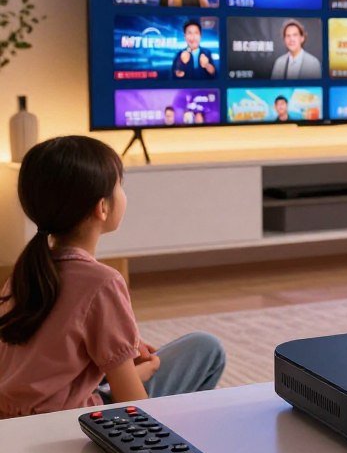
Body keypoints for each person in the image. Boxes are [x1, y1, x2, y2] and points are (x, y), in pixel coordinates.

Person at [0, 136, 225, 418]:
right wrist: (142, 372)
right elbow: (132, 400)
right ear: (102, 207)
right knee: (207, 348)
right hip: (69, 425)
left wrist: (123, 356)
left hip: (15, 421)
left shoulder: (24, 273)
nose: (124, 194)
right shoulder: (102, 282)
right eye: (120, 185)